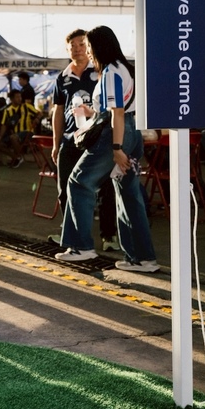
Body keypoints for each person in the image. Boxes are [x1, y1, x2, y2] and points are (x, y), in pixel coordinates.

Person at [55, 25, 158, 272]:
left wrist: (116, 148)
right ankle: (142, 258)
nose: (87, 52)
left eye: (89, 46)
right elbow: (120, 110)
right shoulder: (125, 68)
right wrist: (93, 112)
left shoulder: (110, 72)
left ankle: (81, 246)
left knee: (78, 182)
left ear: (98, 47)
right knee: (128, 195)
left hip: (115, 134)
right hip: (131, 133)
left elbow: (117, 113)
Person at [50, 29, 119, 251]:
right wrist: (56, 143)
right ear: (67, 49)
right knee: (65, 189)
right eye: (73, 46)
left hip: (98, 138)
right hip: (71, 139)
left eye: (82, 44)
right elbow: (58, 111)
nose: (78, 49)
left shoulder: (100, 70)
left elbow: (113, 107)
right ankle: (71, 235)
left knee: (106, 187)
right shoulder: (62, 77)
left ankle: (109, 236)